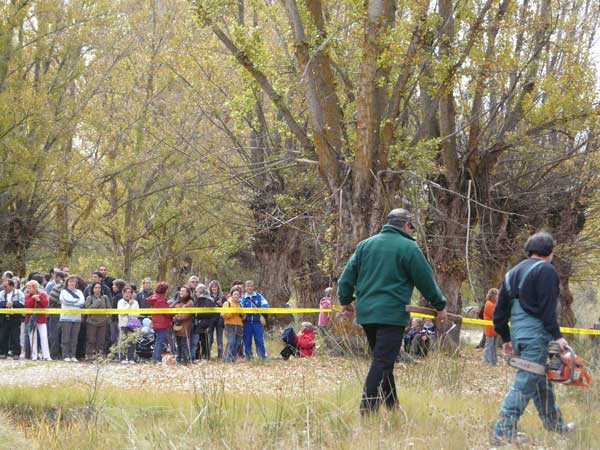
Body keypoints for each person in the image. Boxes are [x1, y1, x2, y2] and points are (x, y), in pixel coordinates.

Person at [338, 208, 447, 415]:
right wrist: (439, 305)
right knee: (382, 361)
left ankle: (392, 405)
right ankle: (367, 411)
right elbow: (425, 280)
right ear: (406, 226)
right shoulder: (409, 247)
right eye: (410, 228)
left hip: (367, 315)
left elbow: (346, 278)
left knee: (383, 360)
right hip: (392, 314)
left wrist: (345, 301)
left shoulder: (365, 245)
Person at [491, 232, 574, 445]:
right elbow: (548, 311)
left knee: (540, 383)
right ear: (550, 252)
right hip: (536, 337)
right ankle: (503, 431)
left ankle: (556, 426)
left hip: (519, 337)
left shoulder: (511, 274)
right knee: (525, 382)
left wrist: (507, 338)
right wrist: (558, 337)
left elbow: (498, 314)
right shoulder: (546, 270)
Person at [240, 280, 270, 360]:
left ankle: (262, 357)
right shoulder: (242, 298)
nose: (249, 288)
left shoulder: (259, 296)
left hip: (257, 323)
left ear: (253, 287)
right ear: (245, 288)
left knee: (259, 340)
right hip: (246, 323)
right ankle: (249, 357)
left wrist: (259, 309)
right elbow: (240, 309)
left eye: (251, 286)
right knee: (247, 341)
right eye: (247, 286)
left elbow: (266, 306)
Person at [59, 275, 85, 362]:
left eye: (74, 282)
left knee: (74, 338)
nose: (72, 283)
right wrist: (76, 301)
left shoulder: (79, 292)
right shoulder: (63, 292)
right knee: (66, 338)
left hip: (77, 318)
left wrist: (73, 302)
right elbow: (65, 300)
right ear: (67, 283)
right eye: (70, 281)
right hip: (66, 318)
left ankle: (73, 355)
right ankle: (65, 355)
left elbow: (82, 302)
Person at [24, 280, 51, 361]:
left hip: (41, 319)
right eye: (27, 288)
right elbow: (27, 306)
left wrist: (39, 300)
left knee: (44, 337)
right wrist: (33, 299)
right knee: (32, 337)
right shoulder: (27, 296)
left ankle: (46, 356)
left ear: (35, 288)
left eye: (29, 288)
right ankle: (34, 356)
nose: (28, 289)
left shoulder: (42, 294)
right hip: (30, 320)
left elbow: (45, 304)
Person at [191, 285, 219, 361]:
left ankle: (205, 357)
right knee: (197, 342)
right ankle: (197, 357)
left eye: (196, 292)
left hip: (205, 324)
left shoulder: (208, 300)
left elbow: (209, 313)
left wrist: (198, 316)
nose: (195, 293)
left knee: (205, 342)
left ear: (200, 292)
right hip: (198, 323)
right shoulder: (198, 300)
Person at [84, 282, 111, 361]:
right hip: (92, 322)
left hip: (103, 322)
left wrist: (106, 318)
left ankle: (100, 356)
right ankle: (90, 356)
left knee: (101, 340)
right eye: (96, 287)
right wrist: (97, 302)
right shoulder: (89, 298)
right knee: (91, 340)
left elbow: (109, 309)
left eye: (99, 288)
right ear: (93, 289)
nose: (97, 289)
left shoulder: (105, 297)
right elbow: (88, 309)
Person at [147, 282, 171, 363]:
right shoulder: (161, 300)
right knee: (159, 342)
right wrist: (174, 313)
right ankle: (156, 359)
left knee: (158, 341)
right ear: (164, 290)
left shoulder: (154, 298)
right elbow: (167, 313)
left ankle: (156, 358)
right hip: (162, 324)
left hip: (156, 323)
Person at [0, 279, 24, 359]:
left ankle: (16, 353)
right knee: (3, 336)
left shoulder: (19, 293)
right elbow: (0, 303)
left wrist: (13, 303)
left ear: (12, 286)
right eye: (3, 286)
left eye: (6, 286)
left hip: (15, 318)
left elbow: (22, 304)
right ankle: (3, 353)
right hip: (4, 317)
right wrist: (6, 304)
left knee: (15, 336)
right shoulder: (1, 293)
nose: (4, 288)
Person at [172, 286, 194, 364]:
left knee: (184, 344)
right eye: (181, 291)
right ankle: (178, 359)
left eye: (183, 291)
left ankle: (184, 360)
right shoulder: (178, 301)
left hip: (185, 326)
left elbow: (187, 315)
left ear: (187, 293)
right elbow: (173, 311)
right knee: (178, 344)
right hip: (177, 326)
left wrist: (177, 318)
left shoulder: (190, 302)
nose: (181, 292)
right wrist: (174, 317)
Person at [117, 287, 139, 363]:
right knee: (123, 340)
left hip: (133, 323)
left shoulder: (135, 302)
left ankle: (131, 358)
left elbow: (137, 313)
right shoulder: (120, 302)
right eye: (126, 292)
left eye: (129, 292)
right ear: (123, 293)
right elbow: (121, 312)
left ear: (132, 294)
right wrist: (129, 305)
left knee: (132, 341)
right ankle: (123, 358)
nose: (127, 294)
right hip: (123, 323)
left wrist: (128, 312)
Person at [222, 287, 245, 363]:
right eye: (235, 294)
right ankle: (227, 359)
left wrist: (242, 314)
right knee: (231, 342)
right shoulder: (227, 303)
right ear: (231, 295)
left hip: (239, 326)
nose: (236, 296)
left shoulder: (241, 305)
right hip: (229, 325)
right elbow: (224, 315)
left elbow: (244, 317)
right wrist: (233, 312)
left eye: (238, 294)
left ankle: (233, 358)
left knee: (238, 343)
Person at [47, 270, 66, 360]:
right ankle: (62, 354)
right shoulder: (67, 286)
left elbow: (52, 299)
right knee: (63, 334)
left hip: (56, 311)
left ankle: (54, 354)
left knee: (54, 334)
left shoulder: (57, 286)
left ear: (58, 277)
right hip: (65, 312)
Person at [207, 280, 225, 359]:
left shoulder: (222, 297)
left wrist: (221, 305)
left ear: (218, 288)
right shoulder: (207, 297)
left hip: (220, 320)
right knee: (210, 338)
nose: (214, 288)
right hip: (210, 320)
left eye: (215, 286)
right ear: (210, 288)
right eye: (212, 287)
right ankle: (207, 355)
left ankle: (220, 356)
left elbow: (226, 308)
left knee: (219, 338)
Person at [482, 288, 499, 366]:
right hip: (490, 329)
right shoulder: (489, 304)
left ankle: (493, 362)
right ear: (492, 296)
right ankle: (486, 362)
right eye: (496, 295)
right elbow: (495, 315)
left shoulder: (494, 304)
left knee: (494, 347)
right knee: (489, 346)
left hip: (494, 330)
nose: (497, 297)